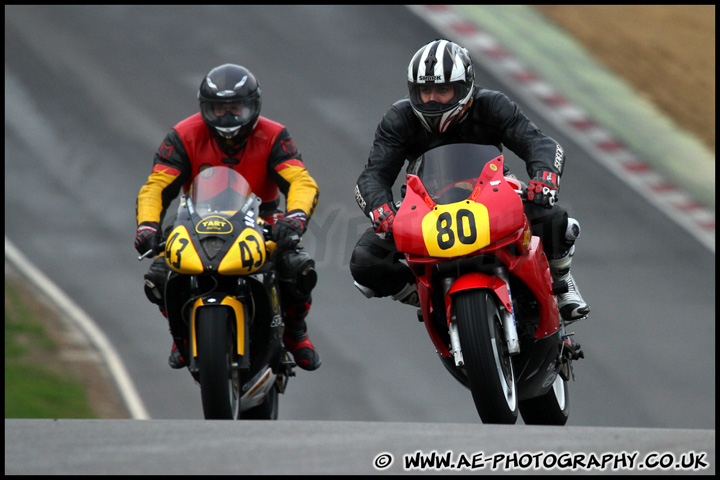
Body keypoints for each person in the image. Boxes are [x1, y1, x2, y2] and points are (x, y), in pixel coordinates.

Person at [350, 39, 590, 322]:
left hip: (493, 190)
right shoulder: (398, 118)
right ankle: (426, 298)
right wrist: (381, 210)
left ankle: (562, 283)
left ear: (464, 88)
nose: (432, 99)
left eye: (442, 89)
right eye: (425, 90)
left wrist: (544, 177)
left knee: (555, 218)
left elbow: (539, 143)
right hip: (425, 203)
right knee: (366, 261)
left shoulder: (492, 105)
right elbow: (374, 174)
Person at [134, 63, 321, 371]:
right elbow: (156, 186)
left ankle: (296, 333)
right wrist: (147, 226)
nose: (227, 116)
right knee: (159, 276)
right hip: (194, 220)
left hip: (263, 220)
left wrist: (296, 217)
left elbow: (300, 181)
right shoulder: (182, 135)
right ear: (204, 107)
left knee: (297, 267)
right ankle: (181, 334)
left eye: (235, 108)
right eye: (217, 109)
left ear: (254, 106)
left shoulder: (274, 135)